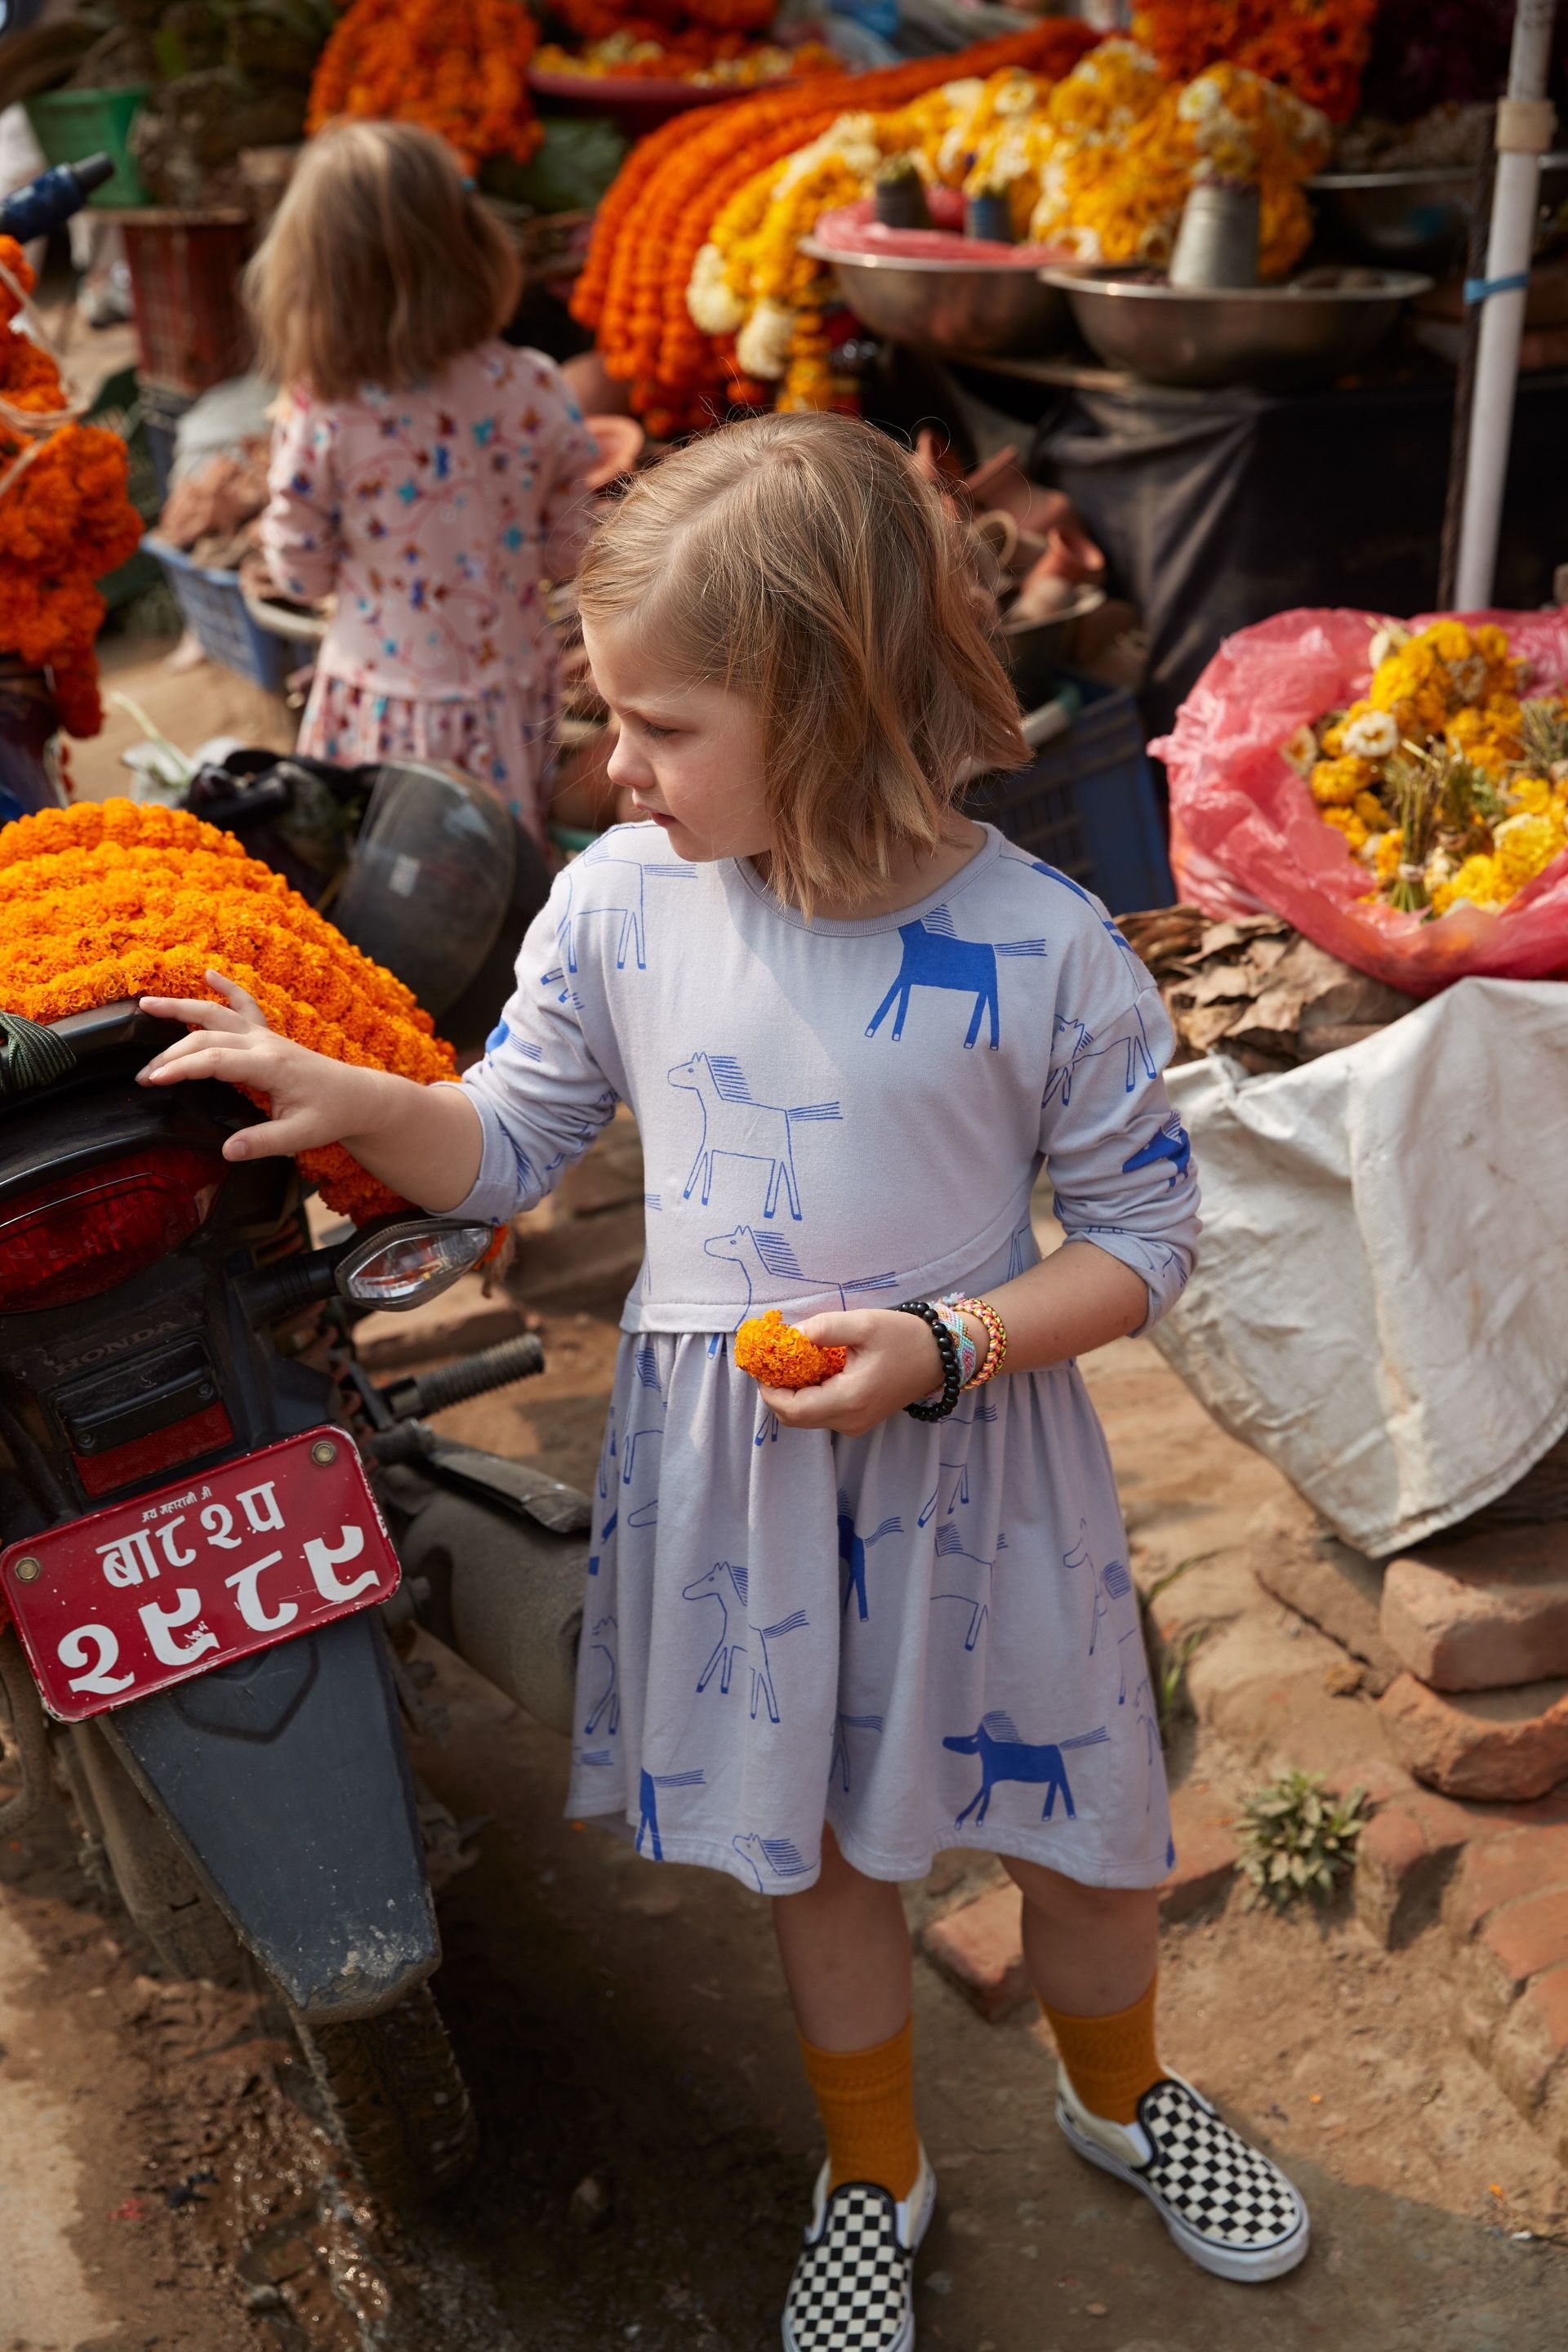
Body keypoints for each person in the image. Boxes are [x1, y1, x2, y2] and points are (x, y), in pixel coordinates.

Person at [138, 412, 1309, 2347]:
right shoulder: (618, 904)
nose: (613, 768)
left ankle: (1121, 2095)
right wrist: (343, 1092)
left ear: (832, 705)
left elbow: (1145, 1239)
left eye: (662, 728)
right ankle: (876, 2168)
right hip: (749, 1485)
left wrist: (951, 1339)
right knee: (824, 1855)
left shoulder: (1044, 948)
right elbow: (506, 1144)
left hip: (983, 1465)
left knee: (1089, 1837)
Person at [247, 120, 599, 840]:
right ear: (466, 239)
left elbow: (303, 570)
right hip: (508, 696)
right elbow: (572, 549)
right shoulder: (530, 382)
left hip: (379, 698)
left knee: (386, 880)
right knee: (492, 876)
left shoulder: (325, 410)